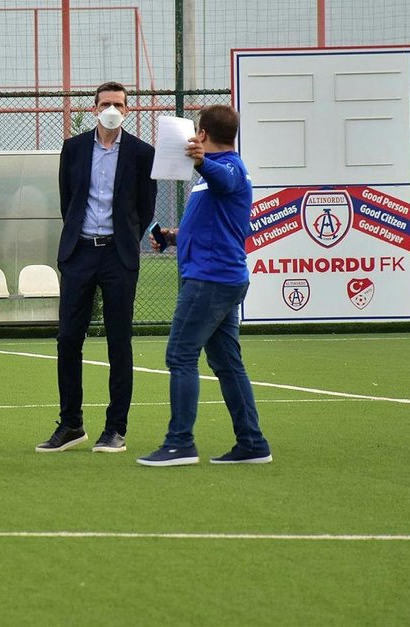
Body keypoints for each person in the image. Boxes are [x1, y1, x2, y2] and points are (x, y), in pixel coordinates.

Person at [137, 105, 273, 467]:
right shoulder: (214, 174)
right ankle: (252, 443)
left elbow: (225, 179)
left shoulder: (229, 168)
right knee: (227, 363)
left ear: (202, 134)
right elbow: (213, 225)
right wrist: (172, 236)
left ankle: (180, 443)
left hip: (210, 281)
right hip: (221, 278)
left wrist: (201, 162)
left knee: (180, 355)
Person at [36, 81, 157, 454]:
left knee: (119, 342)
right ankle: (71, 424)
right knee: (68, 339)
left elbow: (145, 207)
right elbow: (68, 200)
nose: (111, 110)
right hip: (80, 253)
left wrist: (126, 239)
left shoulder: (142, 153)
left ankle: (115, 428)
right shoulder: (73, 148)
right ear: (93, 108)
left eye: (118, 104)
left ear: (128, 110)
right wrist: (78, 239)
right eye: (105, 104)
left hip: (118, 256)